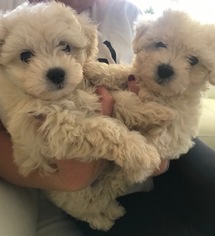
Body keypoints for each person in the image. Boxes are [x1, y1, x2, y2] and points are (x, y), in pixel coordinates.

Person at [0, 0, 214, 236]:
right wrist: (69, 178)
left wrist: (155, 139)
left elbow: (130, 77)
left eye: (66, 47)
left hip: (156, 134)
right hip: (105, 157)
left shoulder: (126, 11)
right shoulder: (9, 12)